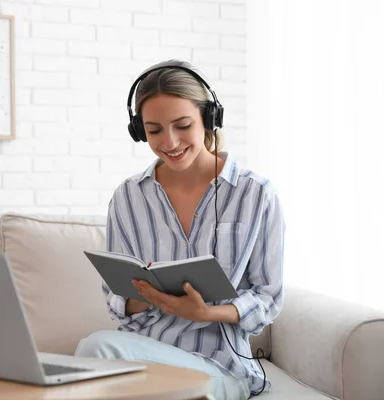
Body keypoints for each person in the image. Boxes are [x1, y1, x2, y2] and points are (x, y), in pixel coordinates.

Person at [74, 60, 285, 400]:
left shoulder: (255, 193)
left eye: (182, 125)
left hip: (222, 368)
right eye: (154, 130)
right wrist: (146, 297)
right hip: (148, 358)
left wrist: (204, 313)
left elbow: (268, 297)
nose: (169, 142)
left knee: (95, 349)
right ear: (139, 131)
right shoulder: (128, 197)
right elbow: (117, 302)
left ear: (208, 119)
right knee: (97, 351)